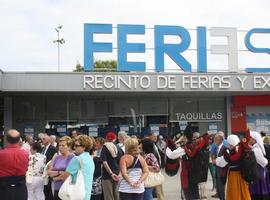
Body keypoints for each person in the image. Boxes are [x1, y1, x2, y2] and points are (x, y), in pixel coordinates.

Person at [216, 134, 251, 200]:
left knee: (234, 192)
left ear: (230, 144)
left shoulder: (228, 152)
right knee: (243, 192)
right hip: (242, 174)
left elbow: (221, 163)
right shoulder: (243, 150)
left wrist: (216, 161)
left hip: (233, 175)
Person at [62, 135, 95, 200]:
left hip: (75, 195)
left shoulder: (77, 159)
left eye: (76, 145)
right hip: (86, 195)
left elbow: (64, 177)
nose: (74, 147)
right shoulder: (90, 159)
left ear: (84, 147)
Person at [0, 129, 29, 200]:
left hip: (4, 189)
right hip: (20, 188)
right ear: (19, 140)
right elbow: (26, 168)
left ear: (6, 140)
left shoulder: (1, 154)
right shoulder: (25, 153)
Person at [249, 131, 270, 200]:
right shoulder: (255, 148)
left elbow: (263, 162)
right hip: (258, 170)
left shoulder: (256, 149)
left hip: (258, 171)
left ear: (254, 139)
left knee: (258, 189)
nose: (249, 139)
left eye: (250, 138)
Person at [100, 131, 121, 200]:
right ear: (115, 138)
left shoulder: (105, 147)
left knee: (108, 196)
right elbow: (122, 162)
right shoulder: (118, 148)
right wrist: (119, 174)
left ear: (106, 138)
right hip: (117, 174)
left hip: (107, 175)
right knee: (117, 195)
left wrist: (111, 173)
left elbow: (104, 162)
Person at [41, 134, 58, 200]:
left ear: (48, 140)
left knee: (49, 190)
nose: (42, 140)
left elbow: (54, 160)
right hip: (42, 171)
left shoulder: (53, 149)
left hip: (49, 171)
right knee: (44, 189)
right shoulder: (42, 148)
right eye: (42, 139)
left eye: (44, 139)